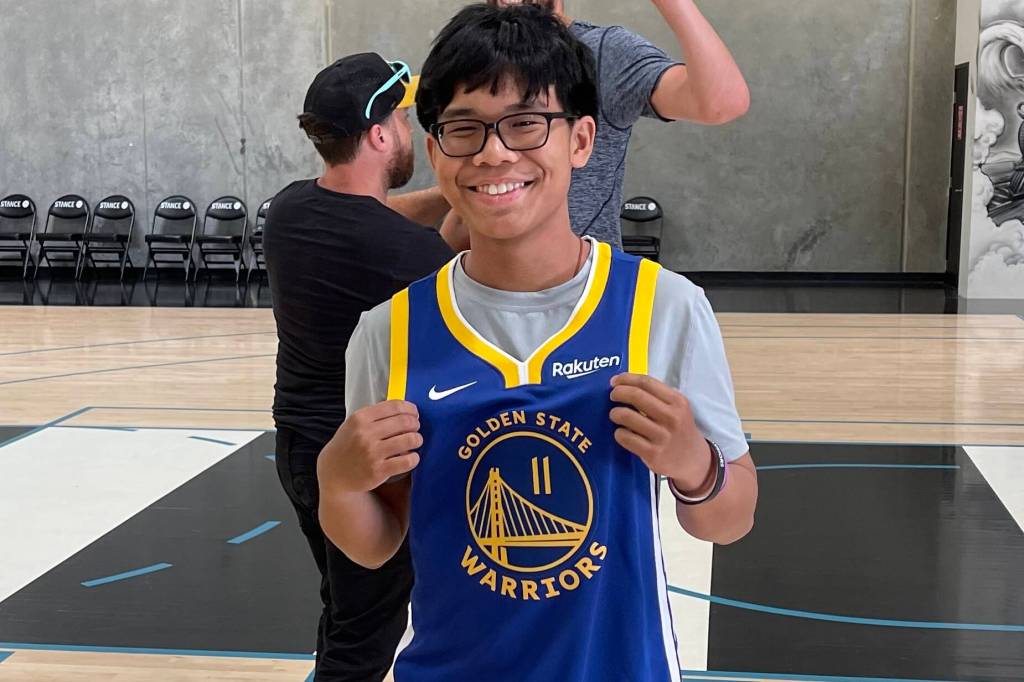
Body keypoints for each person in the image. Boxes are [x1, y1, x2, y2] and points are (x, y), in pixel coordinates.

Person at [317, 5, 758, 680]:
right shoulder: (389, 332)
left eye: (526, 123)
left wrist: (695, 465)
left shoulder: (664, 307)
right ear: (435, 153)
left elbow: (729, 520)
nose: (494, 153)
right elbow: (377, 543)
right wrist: (338, 483)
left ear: (581, 139)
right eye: (463, 128)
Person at [262, 53, 454, 681]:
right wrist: (470, 198)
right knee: (365, 635)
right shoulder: (406, 256)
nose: (406, 130)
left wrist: (445, 195)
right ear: (378, 135)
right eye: (400, 118)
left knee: (343, 606)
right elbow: (442, 252)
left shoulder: (288, 211)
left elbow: (371, 217)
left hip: (297, 449)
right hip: (359, 464)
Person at [441, 0, 749, 250]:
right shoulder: (470, 52)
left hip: (586, 280)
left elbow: (721, 102)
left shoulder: (604, 53)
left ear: (581, 140)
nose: (497, 154)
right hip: (486, 280)